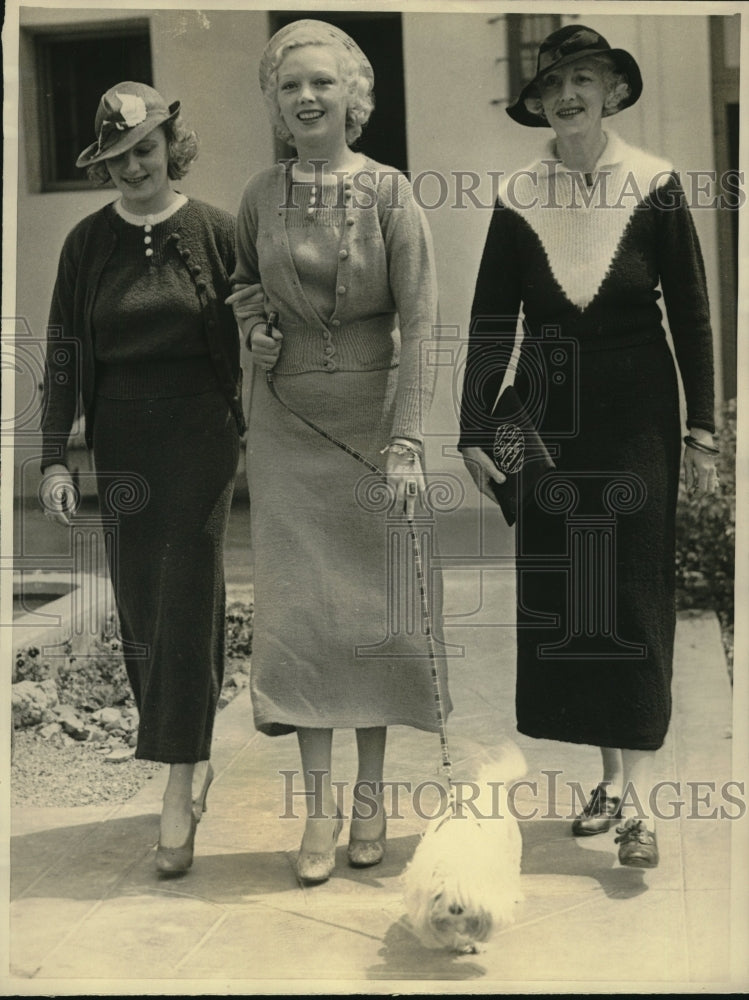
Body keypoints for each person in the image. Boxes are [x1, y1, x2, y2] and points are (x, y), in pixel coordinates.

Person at [459, 25, 719, 868]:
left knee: (633, 595)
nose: (567, 94)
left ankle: (638, 803)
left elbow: (691, 313)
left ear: (611, 89)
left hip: (639, 409)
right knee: (578, 598)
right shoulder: (514, 196)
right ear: (536, 104)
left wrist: (703, 426)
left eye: (583, 78)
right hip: (547, 412)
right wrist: (473, 427)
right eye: (552, 84)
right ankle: (608, 779)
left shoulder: (657, 185)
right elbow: (492, 321)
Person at [229, 19, 450, 884]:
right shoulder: (258, 193)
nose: (307, 99)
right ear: (277, 106)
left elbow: (423, 322)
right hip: (284, 423)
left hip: (370, 422)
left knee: (370, 616)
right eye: (290, 88)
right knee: (303, 620)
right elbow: (245, 284)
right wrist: (253, 329)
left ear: (353, 98)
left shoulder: (392, 192)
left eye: (322, 84)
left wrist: (405, 440)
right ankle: (317, 808)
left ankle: (370, 797)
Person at [39, 81, 244, 876]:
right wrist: (56, 457)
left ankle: (176, 779)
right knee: (142, 606)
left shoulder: (217, 231)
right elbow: (64, 354)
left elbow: (254, 329)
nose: (133, 166)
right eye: (117, 157)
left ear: (170, 145)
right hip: (122, 443)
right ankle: (185, 753)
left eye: (145, 149)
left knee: (189, 594)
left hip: (200, 437)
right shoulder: (87, 244)